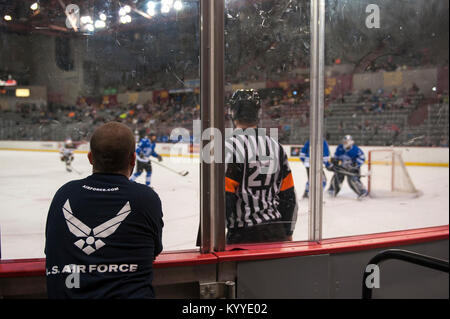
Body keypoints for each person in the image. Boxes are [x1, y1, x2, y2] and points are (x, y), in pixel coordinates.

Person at [45, 122, 164, 299]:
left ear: (90, 158)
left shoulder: (64, 194)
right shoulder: (145, 198)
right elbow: (154, 251)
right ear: (132, 159)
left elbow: (52, 251)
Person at [225, 89, 298, 245]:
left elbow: (224, 198)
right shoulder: (275, 146)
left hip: (242, 235)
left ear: (233, 113)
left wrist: (209, 237)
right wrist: (288, 231)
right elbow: (288, 195)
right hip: (275, 231)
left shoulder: (228, 147)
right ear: (258, 113)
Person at [327, 135, 368, 199]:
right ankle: (332, 190)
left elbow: (362, 158)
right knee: (337, 176)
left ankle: (362, 192)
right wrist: (334, 161)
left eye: (346, 142)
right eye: (344, 142)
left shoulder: (356, 149)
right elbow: (336, 156)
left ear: (350, 142)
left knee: (353, 180)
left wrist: (355, 164)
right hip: (342, 167)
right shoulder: (340, 148)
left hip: (352, 168)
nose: (344, 143)